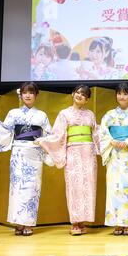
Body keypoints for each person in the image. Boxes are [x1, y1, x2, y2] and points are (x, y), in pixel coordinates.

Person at [0, 82, 52, 236]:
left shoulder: (42, 115)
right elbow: (5, 130)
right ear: (20, 95)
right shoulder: (13, 113)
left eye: (31, 92)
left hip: (35, 153)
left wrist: (43, 142)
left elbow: (49, 135)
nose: (27, 95)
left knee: (33, 188)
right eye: (25, 92)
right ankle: (18, 223)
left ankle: (28, 223)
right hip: (18, 153)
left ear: (36, 95)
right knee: (17, 188)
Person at [35, 85, 99, 235]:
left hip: (88, 152)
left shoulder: (90, 114)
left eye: (84, 94)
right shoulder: (64, 114)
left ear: (87, 99)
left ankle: (83, 221)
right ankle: (75, 222)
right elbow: (58, 135)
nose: (80, 96)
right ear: (72, 94)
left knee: (88, 185)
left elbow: (96, 134)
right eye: (78, 92)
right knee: (74, 185)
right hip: (73, 151)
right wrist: (44, 141)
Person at [99, 83, 128, 236]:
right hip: (114, 154)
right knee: (114, 188)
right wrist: (111, 141)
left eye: (125, 94)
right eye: (119, 93)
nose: (122, 96)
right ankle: (116, 223)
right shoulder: (109, 115)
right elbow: (103, 133)